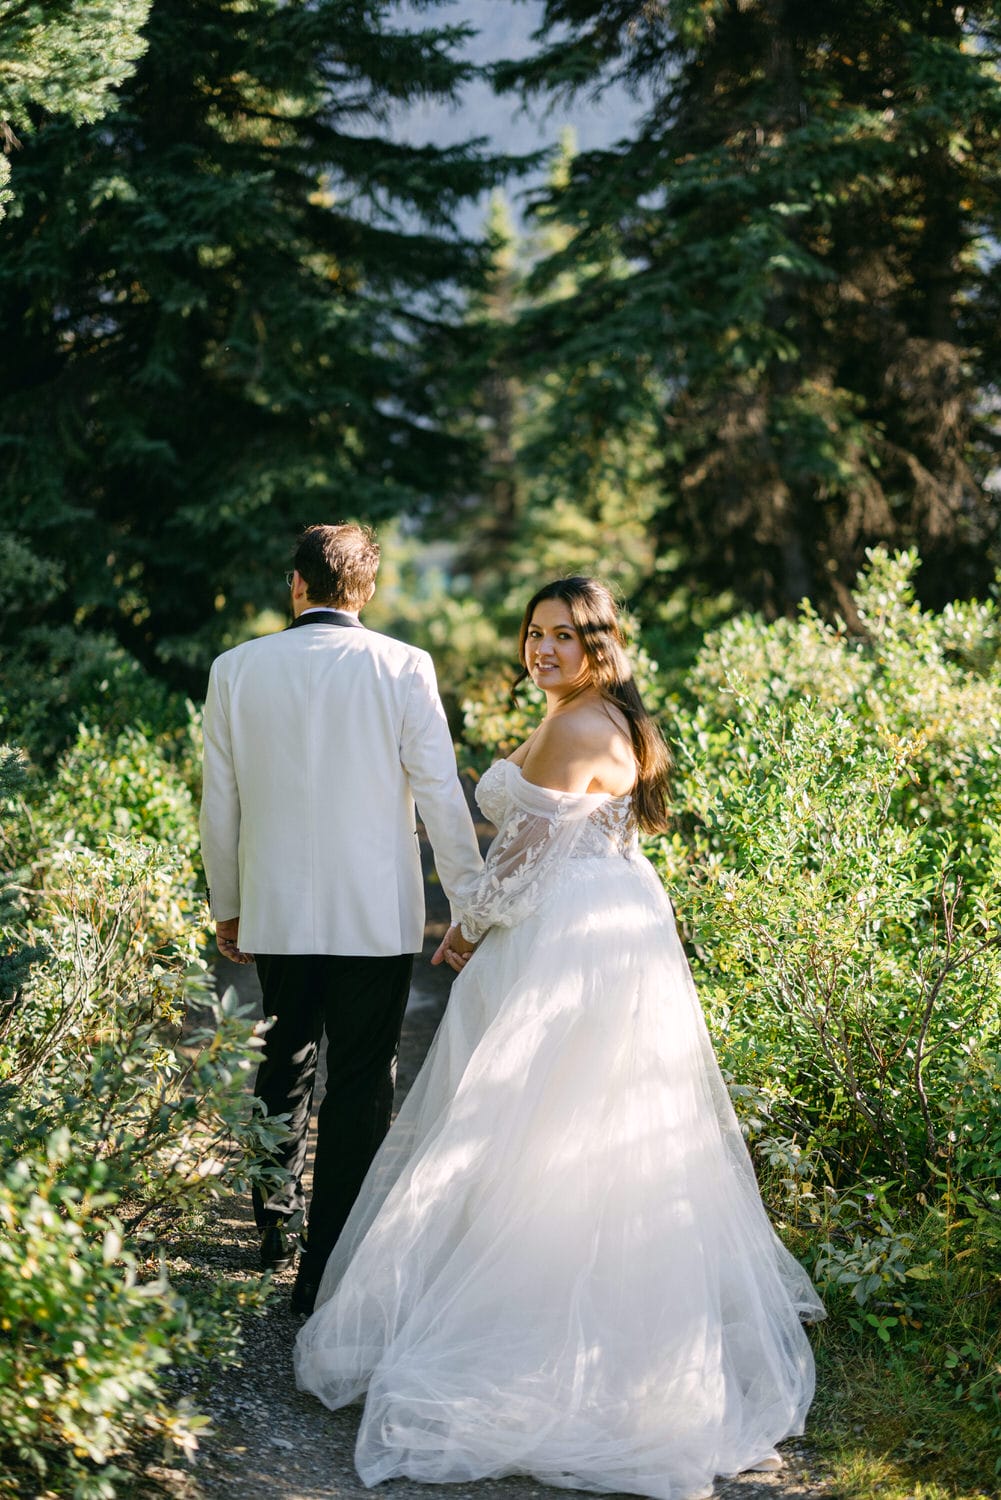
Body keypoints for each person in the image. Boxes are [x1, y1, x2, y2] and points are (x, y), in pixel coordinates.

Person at [293, 576, 825, 1500]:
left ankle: (537, 1335)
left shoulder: (581, 726)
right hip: (604, 920)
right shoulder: (595, 714)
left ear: (599, 643)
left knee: (529, 1123)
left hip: (567, 937)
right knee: (565, 1126)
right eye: (533, 632)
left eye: (562, 637)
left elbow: (519, 863)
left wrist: (461, 929)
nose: (541, 650)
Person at [199, 522, 483, 1315]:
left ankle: (272, 1221)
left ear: (297, 584)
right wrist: (469, 905)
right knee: (361, 1079)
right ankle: (326, 1267)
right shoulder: (403, 666)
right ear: (365, 589)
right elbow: (439, 796)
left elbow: (218, 802)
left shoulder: (236, 669)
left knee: (283, 1052)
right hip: (374, 917)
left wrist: (228, 904)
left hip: (278, 909)